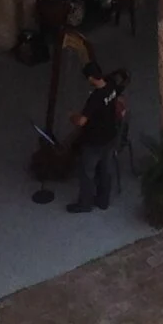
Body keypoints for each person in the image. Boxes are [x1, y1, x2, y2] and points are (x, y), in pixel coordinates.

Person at [64, 62, 126, 213]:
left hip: (94, 142)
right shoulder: (111, 85)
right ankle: (103, 201)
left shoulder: (95, 98)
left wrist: (72, 116)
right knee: (106, 170)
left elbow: (82, 121)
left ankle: (85, 204)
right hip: (110, 137)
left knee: (87, 173)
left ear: (91, 78)